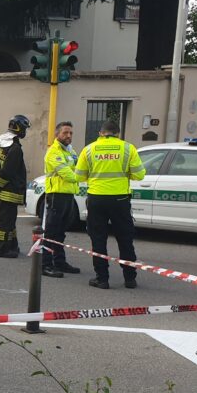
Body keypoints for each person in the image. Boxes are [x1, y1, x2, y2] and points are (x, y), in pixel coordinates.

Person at [75, 120, 145, 289]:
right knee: (125, 238)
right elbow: (139, 175)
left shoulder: (89, 149)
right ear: (118, 134)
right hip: (120, 200)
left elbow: (79, 177)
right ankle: (130, 279)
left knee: (98, 239)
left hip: (97, 198)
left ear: (101, 133)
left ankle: (102, 278)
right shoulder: (128, 148)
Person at [42, 121, 81, 278]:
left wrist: (80, 173)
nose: (69, 135)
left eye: (71, 133)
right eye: (65, 132)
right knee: (51, 232)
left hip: (68, 195)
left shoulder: (70, 151)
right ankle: (45, 265)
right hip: (56, 195)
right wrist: (80, 175)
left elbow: (80, 166)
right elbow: (69, 174)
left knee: (60, 233)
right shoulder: (54, 152)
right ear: (57, 134)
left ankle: (59, 262)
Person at [0, 115, 29, 258]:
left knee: (9, 222)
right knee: (5, 223)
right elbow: (7, 172)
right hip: (10, 192)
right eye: (25, 128)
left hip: (4, 191)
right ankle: (2, 250)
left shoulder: (2, 144)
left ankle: (12, 246)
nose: (25, 131)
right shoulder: (15, 148)